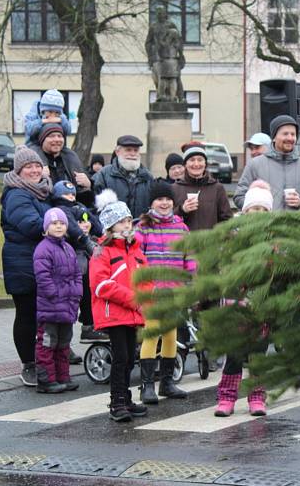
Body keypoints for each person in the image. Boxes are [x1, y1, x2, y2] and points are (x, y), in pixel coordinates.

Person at [215, 180, 274, 417]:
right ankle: (227, 398)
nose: (257, 214)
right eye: (254, 209)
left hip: (261, 305)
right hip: (235, 304)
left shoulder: (273, 237)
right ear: (245, 210)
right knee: (234, 356)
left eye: (262, 210)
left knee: (258, 356)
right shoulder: (232, 235)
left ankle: (257, 397)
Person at [90, 195, 148, 422]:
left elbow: (146, 276)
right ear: (110, 225)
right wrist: (133, 299)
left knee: (130, 358)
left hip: (133, 313)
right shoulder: (102, 251)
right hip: (113, 313)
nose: (127, 225)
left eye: (128, 221)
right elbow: (101, 285)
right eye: (121, 221)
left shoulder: (135, 249)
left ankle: (126, 397)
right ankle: (117, 402)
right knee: (121, 357)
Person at [135, 181, 193, 404]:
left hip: (175, 291)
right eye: (159, 199)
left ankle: (167, 382)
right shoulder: (143, 227)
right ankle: (146, 385)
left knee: (171, 335)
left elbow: (190, 257)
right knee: (152, 333)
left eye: (168, 199)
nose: (164, 203)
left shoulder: (181, 227)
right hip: (152, 291)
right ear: (152, 203)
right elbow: (137, 260)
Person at [1, 145, 53, 386]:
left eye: (36, 166)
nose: (34, 170)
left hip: (41, 261)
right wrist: (58, 225)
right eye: (28, 167)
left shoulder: (42, 192)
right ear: (18, 171)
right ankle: (28, 364)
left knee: (41, 314)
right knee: (26, 315)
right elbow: (32, 225)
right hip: (21, 262)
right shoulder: (16, 194)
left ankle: (44, 360)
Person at [33, 208, 82, 394]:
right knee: (47, 343)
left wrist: (77, 292)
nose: (59, 226)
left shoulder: (68, 248)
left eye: (61, 223)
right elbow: (43, 276)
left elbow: (77, 273)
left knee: (63, 344)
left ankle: (63, 376)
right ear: (46, 228)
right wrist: (54, 294)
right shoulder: (43, 249)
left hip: (67, 305)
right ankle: (46, 380)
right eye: (54, 223)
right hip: (50, 306)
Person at [50, 180, 104, 347]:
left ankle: (89, 324)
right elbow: (71, 227)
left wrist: (89, 222)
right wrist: (83, 235)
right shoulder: (60, 210)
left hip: (86, 256)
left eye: (73, 194)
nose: (71, 197)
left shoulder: (79, 206)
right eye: (66, 194)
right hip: (73, 257)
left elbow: (97, 225)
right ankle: (66, 341)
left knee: (90, 292)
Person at [233, 115, 300, 211]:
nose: (290, 138)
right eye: (285, 134)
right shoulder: (254, 165)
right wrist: (256, 205)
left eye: (293, 134)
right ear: (274, 137)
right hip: (265, 225)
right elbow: (239, 196)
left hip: (296, 225)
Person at [30, 123, 93, 207]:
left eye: (60, 136)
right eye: (51, 136)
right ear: (42, 140)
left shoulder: (71, 158)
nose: (57, 139)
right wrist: (38, 176)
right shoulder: (33, 160)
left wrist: (88, 185)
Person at [92, 135, 154, 219]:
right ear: (117, 152)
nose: (132, 154)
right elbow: (94, 206)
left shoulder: (147, 177)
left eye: (136, 150)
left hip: (140, 230)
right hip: (113, 230)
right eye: (128, 150)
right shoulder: (103, 175)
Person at [172, 146, 233, 231]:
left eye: (200, 160)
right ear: (185, 165)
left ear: (205, 164)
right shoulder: (175, 188)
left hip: (210, 242)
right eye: (192, 160)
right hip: (183, 241)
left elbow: (226, 219)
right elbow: (167, 218)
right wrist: (182, 210)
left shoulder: (217, 188)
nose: (196, 164)